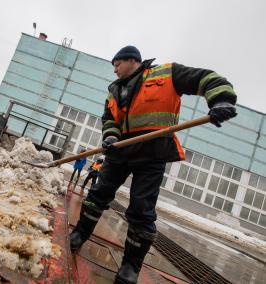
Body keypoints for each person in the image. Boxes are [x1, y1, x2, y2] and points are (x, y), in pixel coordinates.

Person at [69, 45, 237, 284]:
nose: (114, 70)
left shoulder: (166, 74)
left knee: (141, 208)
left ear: (131, 60)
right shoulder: (114, 90)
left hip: (153, 152)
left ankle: (130, 267)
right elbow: (109, 118)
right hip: (120, 151)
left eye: (117, 64)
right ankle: (78, 236)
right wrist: (110, 136)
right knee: (98, 194)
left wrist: (220, 100)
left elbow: (205, 78)